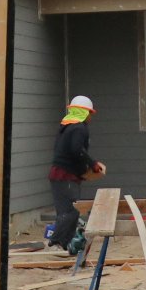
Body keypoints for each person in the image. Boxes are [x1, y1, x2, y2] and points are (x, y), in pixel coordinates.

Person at [48, 96, 104, 252]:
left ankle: (63, 244)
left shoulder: (66, 126)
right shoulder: (79, 128)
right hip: (65, 175)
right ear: (84, 112)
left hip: (60, 174)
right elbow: (77, 151)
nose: (91, 117)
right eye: (90, 113)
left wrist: (81, 172)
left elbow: (70, 152)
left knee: (65, 211)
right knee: (71, 211)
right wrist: (92, 164)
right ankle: (57, 243)